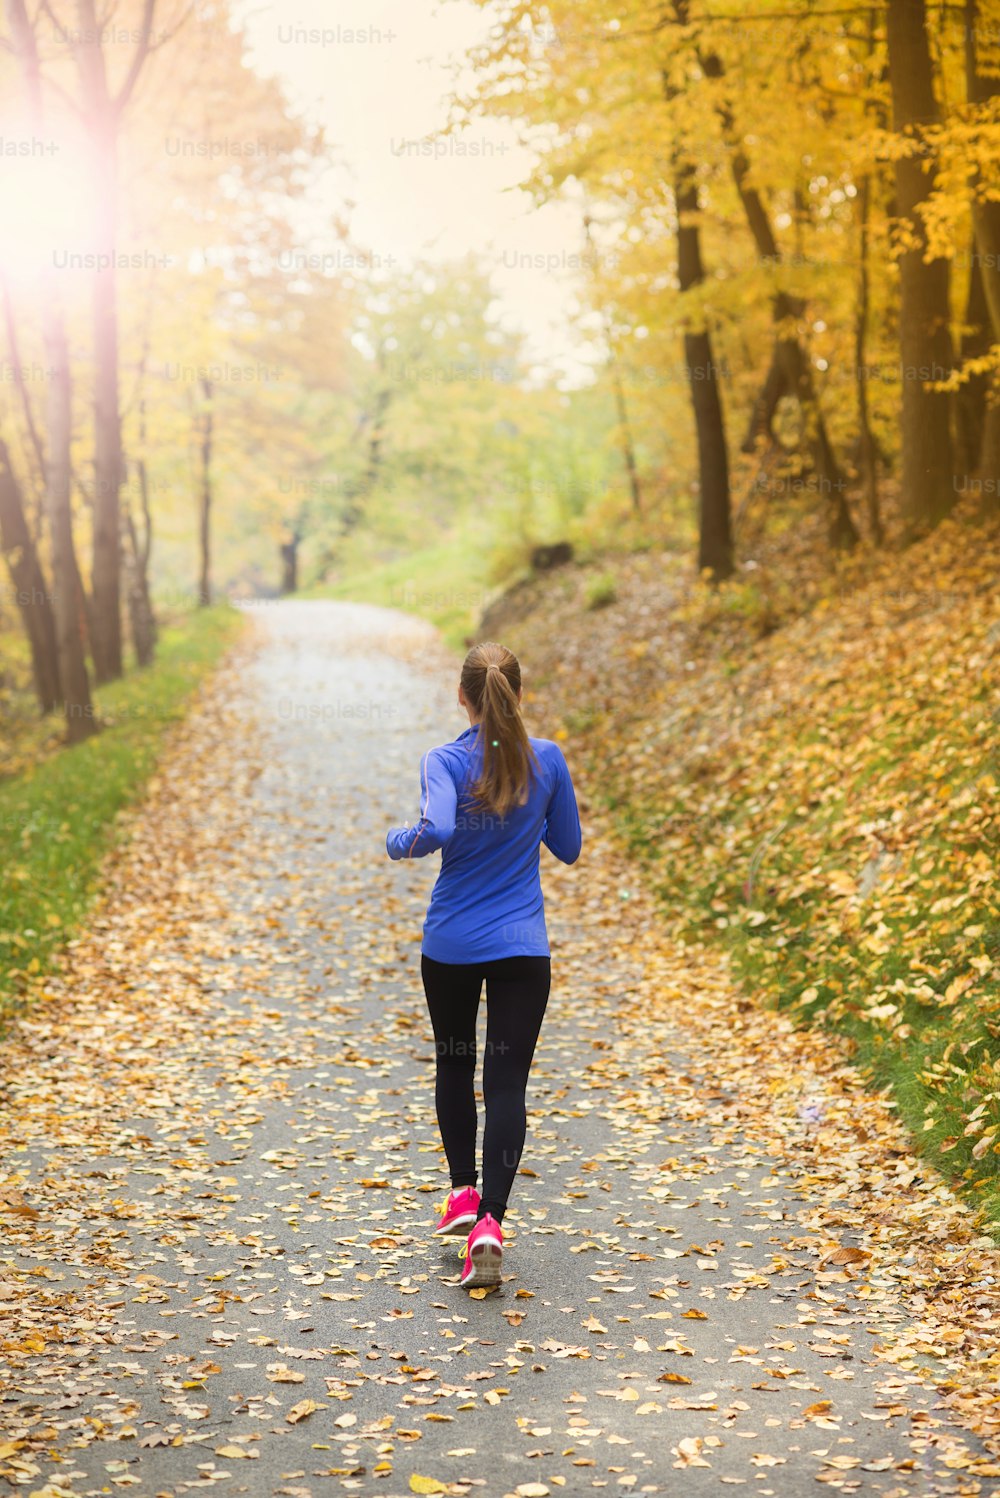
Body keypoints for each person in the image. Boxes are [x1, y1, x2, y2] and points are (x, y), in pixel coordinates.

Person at [385, 641, 582, 1289]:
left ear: (462, 697)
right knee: (505, 1083)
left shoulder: (441, 761)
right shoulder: (545, 758)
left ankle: (462, 1192)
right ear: (517, 694)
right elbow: (569, 847)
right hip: (523, 949)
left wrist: (400, 841)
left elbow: (433, 830)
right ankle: (489, 1224)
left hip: (451, 948)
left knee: (454, 1062)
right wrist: (532, 809)